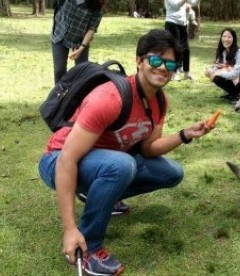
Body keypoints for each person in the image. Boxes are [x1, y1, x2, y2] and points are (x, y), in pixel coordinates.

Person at [38, 29, 214, 275]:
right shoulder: (111, 98)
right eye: (155, 60)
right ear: (139, 61)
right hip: (57, 160)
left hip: (101, 162)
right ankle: (88, 248)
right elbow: (68, 158)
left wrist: (185, 134)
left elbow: (148, 149)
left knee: (171, 173)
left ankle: (100, 194)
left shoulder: (159, 101)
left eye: (170, 63)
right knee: (122, 166)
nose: (163, 67)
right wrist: (69, 229)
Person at [51, 0, 103, 84]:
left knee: (82, 72)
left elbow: (92, 28)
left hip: (80, 41)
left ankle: (79, 94)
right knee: (59, 71)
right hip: (59, 34)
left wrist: (82, 47)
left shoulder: (97, 4)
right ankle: (59, 95)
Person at [205, 28, 240, 104]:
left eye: (229, 37)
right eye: (224, 36)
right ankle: (232, 93)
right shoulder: (223, 52)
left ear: (234, 39)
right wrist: (210, 71)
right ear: (221, 38)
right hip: (232, 81)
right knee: (214, 75)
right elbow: (216, 67)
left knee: (217, 76)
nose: (226, 39)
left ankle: (239, 95)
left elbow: (234, 75)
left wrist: (217, 73)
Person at [164, 0, 199, 81]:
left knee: (186, 49)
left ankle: (186, 73)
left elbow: (193, 3)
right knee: (176, 49)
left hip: (182, 24)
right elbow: (175, 6)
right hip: (172, 23)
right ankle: (174, 73)